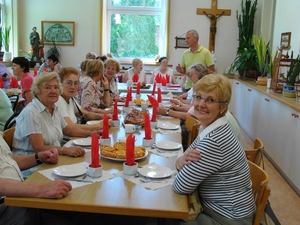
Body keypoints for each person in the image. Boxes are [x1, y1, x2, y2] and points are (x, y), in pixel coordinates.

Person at [0, 136, 150, 225]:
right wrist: (40, 189)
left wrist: (37, 157)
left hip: (20, 194)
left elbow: (6, 161)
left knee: (96, 210)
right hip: (11, 206)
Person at [170, 74, 255, 225]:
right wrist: (180, 162)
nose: (201, 104)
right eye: (198, 97)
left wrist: (180, 164)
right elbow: (185, 156)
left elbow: (180, 186)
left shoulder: (214, 140)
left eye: (210, 100)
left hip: (227, 217)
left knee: (169, 216)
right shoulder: (212, 127)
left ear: (223, 107)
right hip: (220, 209)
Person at [12, 72, 101, 178]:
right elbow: (39, 148)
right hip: (33, 168)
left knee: (88, 168)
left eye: (56, 87)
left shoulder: (53, 107)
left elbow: (68, 130)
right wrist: (66, 150)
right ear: (37, 92)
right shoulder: (31, 112)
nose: (53, 91)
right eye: (47, 87)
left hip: (53, 159)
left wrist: (91, 133)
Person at [56, 67, 109, 131]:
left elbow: (86, 114)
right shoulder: (58, 100)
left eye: (75, 83)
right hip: (69, 139)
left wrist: (104, 116)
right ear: (60, 84)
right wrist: (98, 126)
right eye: (69, 83)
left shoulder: (70, 99)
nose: (73, 87)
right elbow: (70, 126)